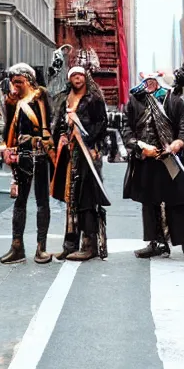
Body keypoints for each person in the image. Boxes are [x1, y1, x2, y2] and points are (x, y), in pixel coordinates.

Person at [123, 74, 184, 260]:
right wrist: (141, 146)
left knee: (179, 201)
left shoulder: (174, 102)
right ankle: (156, 243)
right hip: (146, 158)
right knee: (149, 202)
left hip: (171, 158)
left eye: (152, 80)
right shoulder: (135, 101)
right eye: (146, 80)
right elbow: (127, 129)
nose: (149, 83)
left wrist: (176, 144)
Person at [0, 63, 55, 265]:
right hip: (22, 156)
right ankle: (17, 246)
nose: (16, 87)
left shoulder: (40, 97)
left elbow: (48, 126)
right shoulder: (15, 102)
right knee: (20, 202)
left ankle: (41, 247)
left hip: (38, 153)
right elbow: (9, 128)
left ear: (28, 81)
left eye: (19, 82)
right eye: (14, 83)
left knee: (41, 201)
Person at [51, 66, 109, 261]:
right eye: (74, 76)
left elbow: (101, 124)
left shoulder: (94, 100)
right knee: (70, 199)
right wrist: (61, 137)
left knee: (87, 198)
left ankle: (89, 244)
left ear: (85, 78)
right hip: (69, 154)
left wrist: (93, 146)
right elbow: (58, 124)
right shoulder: (64, 99)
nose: (77, 79)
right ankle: (70, 244)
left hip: (87, 154)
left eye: (80, 75)